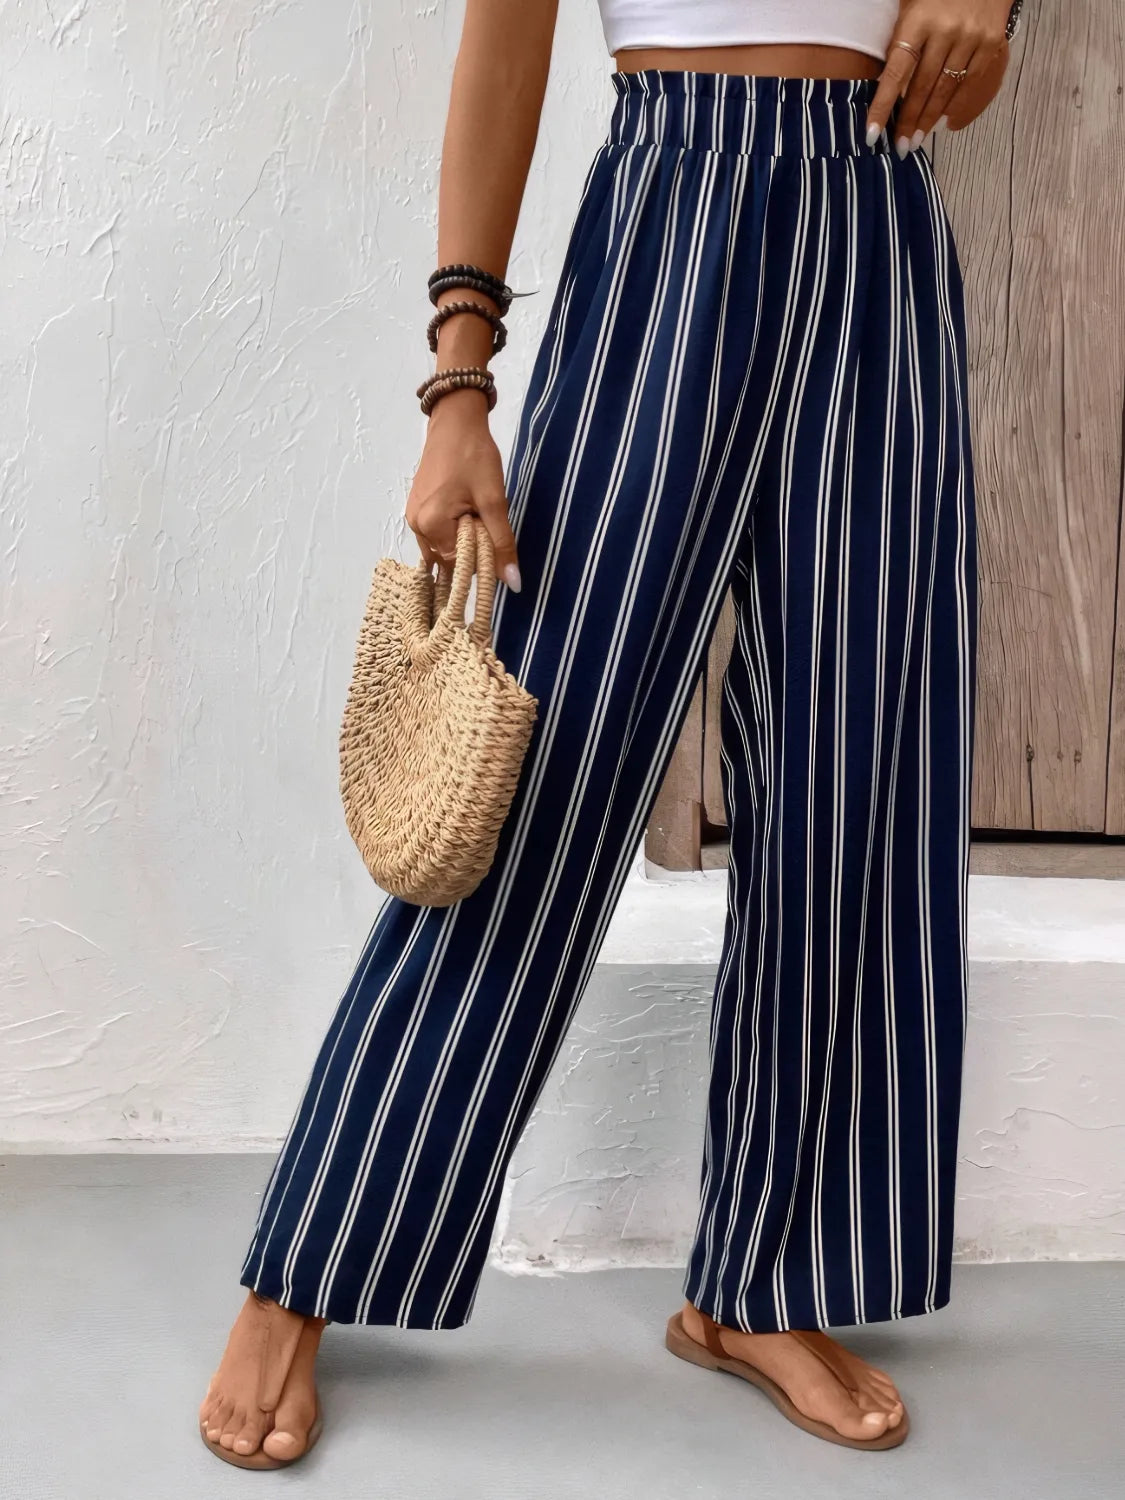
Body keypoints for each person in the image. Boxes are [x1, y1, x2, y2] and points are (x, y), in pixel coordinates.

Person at [198, 0, 1018, 1468]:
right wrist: (458, 388)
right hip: (672, 215)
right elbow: (504, 37)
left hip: (883, 221)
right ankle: (309, 1263)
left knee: (857, 776)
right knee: (542, 771)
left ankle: (765, 1284)